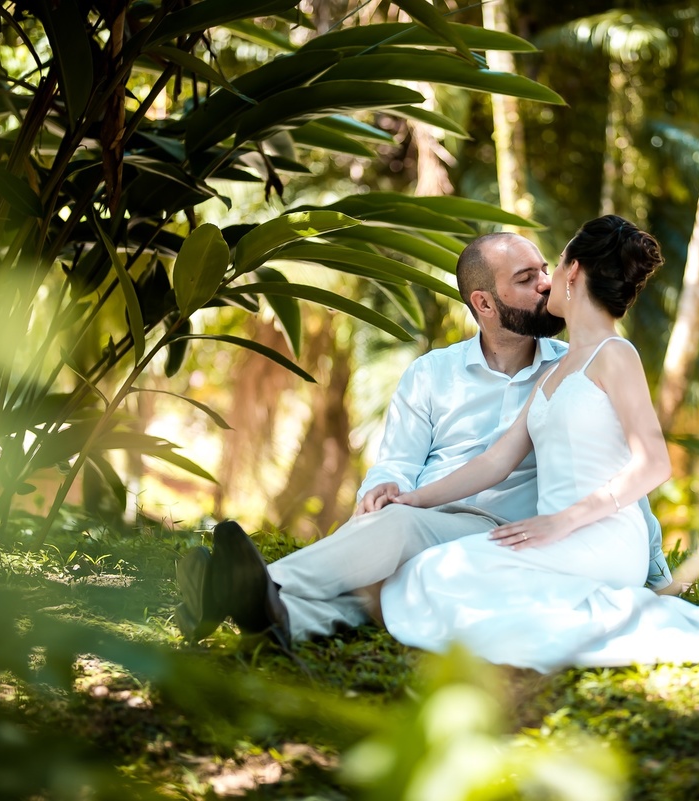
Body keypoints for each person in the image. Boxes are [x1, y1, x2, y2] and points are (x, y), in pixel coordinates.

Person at [378, 216, 699, 672]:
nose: (546, 282)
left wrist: (562, 522)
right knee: (430, 571)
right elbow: (496, 461)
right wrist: (409, 498)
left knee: (438, 574)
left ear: (575, 272)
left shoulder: (616, 355)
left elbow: (653, 465)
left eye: (554, 267)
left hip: (598, 535)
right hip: (557, 535)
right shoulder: (557, 367)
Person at [175, 231, 671, 646]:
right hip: (430, 511)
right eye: (525, 279)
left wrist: (652, 563)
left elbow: (618, 460)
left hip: (509, 533)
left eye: (545, 270)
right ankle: (279, 618)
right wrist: (389, 491)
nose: (546, 285)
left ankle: (246, 586)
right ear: (484, 303)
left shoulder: (574, 364)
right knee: (392, 547)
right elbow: (399, 460)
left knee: (400, 539)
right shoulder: (432, 374)